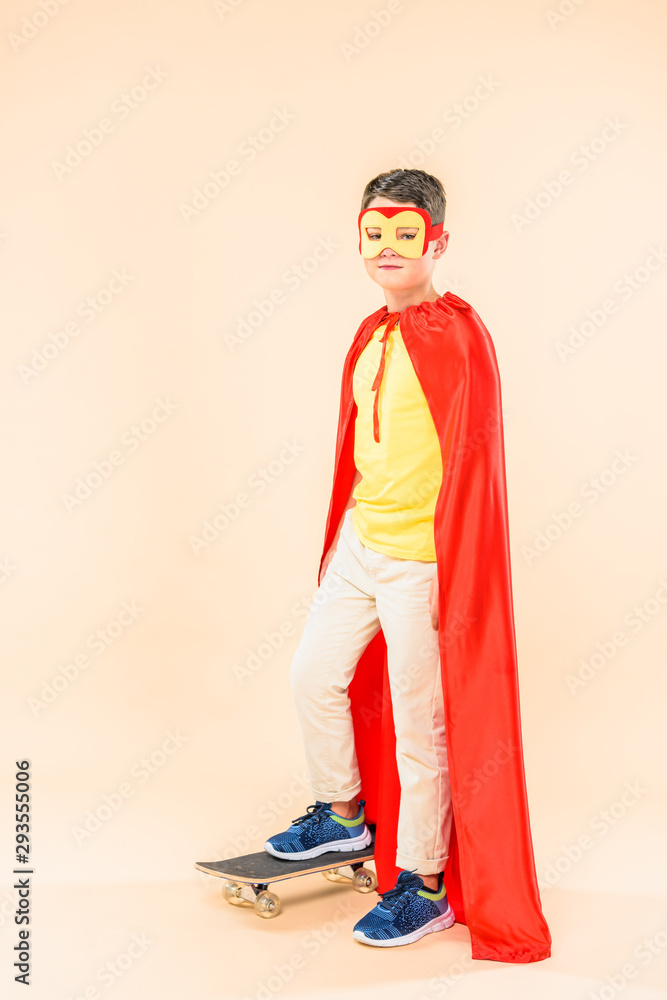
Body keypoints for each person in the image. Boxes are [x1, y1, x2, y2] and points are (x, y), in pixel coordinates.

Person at [264, 168, 552, 960]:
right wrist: (349, 533)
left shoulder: (458, 334)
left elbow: (474, 465)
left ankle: (423, 887)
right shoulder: (369, 333)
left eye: (404, 232)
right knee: (311, 675)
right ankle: (341, 814)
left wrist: (451, 566)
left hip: (421, 561)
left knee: (420, 730)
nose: (387, 247)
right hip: (361, 545)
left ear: (437, 241)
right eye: (373, 233)